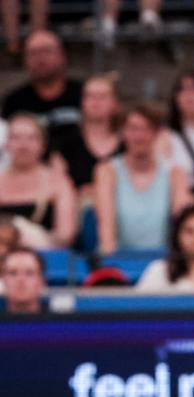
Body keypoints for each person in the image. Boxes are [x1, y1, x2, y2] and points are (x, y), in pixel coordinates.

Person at [94, 104, 190, 254]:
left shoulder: (175, 173)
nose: (139, 136)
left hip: (163, 260)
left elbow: (182, 221)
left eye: (146, 129)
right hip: (118, 257)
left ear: (157, 133)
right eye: (133, 129)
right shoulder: (107, 171)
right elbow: (106, 228)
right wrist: (112, 260)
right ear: (122, 132)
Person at [0, 113, 77, 248]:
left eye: (31, 138)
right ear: (6, 144)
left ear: (43, 145)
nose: (23, 145)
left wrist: (28, 236)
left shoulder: (59, 182)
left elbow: (66, 236)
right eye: (16, 138)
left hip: (44, 254)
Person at [1, 30, 82, 157]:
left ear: (62, 55)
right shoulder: (13, 100)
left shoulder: (84, 94)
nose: (40, 58)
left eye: (47, 50)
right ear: (25, 60)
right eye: (33, 53)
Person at [54, 73, 122, 198]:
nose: (95, 101)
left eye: (102, 96)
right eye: (90, 96)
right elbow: (56, 186)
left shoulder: (129, 142)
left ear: (115, 103)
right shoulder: (66, 143)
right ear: (82, 102)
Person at [0, 246, 45, 313]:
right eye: (13, 273)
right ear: (4, 280)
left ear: (42, 281)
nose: (20, 279)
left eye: (29, 273)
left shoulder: (59, 319)